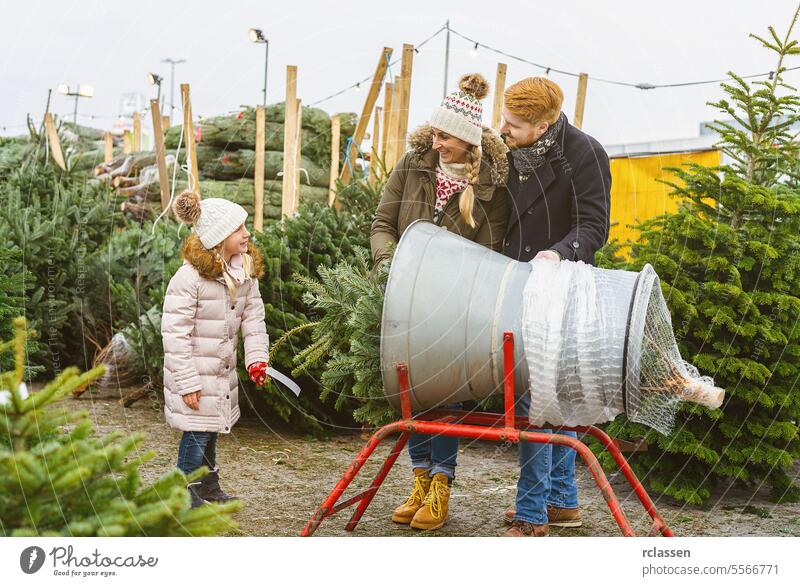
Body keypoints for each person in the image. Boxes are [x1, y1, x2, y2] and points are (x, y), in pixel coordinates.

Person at [371, 73, 509, 530]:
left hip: (454, 307)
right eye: (434, 132)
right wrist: (391, 269)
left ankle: (441, 484)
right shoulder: (412, 166)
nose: (436, 142)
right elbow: (382, 223)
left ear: (468, 141)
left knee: (445, 392)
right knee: (411, 388)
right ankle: (419, 478)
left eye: (445, 136)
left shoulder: (490, 189)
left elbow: (489, 254)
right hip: (403, 299)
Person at [498, 76, 611, 537]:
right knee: (552, 398)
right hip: (511, 285)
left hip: (557, 291)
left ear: (544, 126)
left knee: (537, 400)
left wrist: (559, 253)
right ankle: (562, 502)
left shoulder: (584, 154)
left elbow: (594, 226)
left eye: (515, 125)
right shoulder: (507, 152)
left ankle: (531, 516)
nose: (503, 129)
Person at [162, 190, 271, 508]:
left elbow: (254, 321)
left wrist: (257, 359)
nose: (246, 233)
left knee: (209, 431)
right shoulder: (189, 279)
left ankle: (208, 487)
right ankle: (182, 495)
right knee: (196, 434)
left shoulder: (245, 273)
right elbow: (174, 334)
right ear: (219, 236)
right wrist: (187, 382)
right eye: (239, 228)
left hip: (220, 373)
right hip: (194, 376)